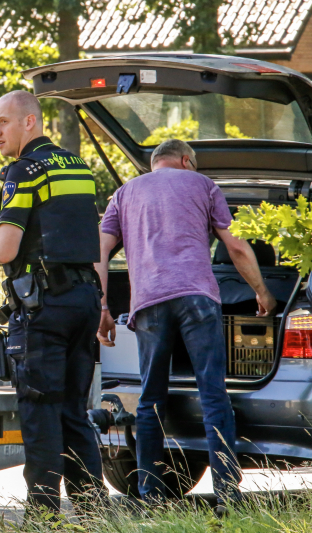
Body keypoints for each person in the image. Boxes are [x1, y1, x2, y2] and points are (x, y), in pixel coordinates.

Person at [95, 139, 277, 506]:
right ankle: (226, 491)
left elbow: (97, 252)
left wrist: (102, 307)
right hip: (197, 298)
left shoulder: (125, 193)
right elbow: (237, 247)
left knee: (150, 400)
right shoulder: (203, 185)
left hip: (148, 303)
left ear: (155, 162)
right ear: (185, 160)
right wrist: (262, 292)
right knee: (213, 394)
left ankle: (150, 493)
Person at [0, 90, 105, 513]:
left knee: (40, 410)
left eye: (2, 122)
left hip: (43, 307)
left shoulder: (24, 170)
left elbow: (7, 249)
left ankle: (43, 515)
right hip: (84, 299)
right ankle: (91, 512)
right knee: (73, 409)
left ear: (30, 122)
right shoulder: (79, 166)